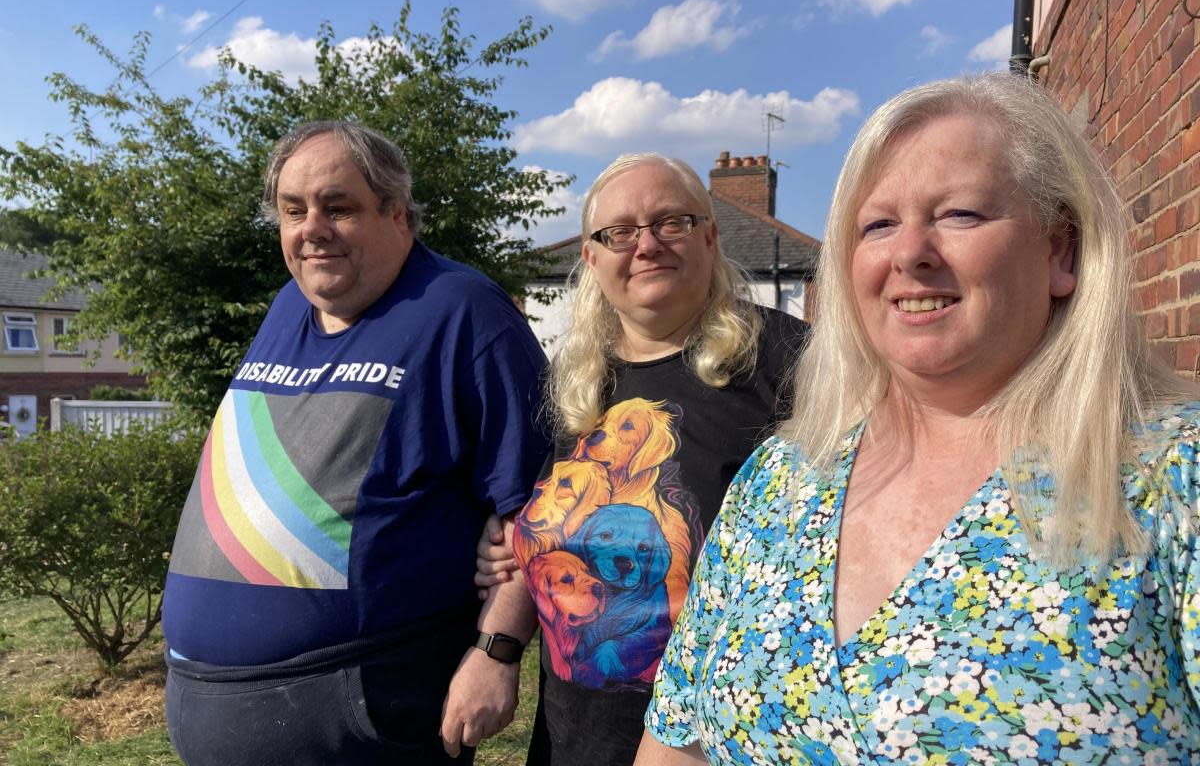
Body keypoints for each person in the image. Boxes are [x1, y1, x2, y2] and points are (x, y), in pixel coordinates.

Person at [637, 72, 1200, 765]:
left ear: (1061, 250)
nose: (910, 253)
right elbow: (678, 744)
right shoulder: (779, 482)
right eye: (877, 225)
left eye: (959, 214)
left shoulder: (1173, 479)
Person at [161, 120, 548, 765]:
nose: (312, 228)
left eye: (338, 208)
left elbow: (542, 501)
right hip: (214, 705)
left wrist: (495, 652)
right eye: (293, 210)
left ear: (398, 213)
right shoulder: (289, 305)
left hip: (362, 715)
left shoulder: (463, 311)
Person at [476, 153, 810, 765]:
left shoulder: (791, 363)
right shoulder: (576, 382)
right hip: (574, 741)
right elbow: (534, 535)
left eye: (671, 223)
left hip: (716, 744)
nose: (646, 245)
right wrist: (495, 649)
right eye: (619, 233)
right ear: (592, 258)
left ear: (710, 236)